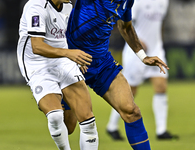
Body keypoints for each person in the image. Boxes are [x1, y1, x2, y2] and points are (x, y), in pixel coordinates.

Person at [65, 0, 169, 149]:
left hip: (101, 63)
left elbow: (125, 26)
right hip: (72, 60)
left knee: (132, 111)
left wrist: (142, 56)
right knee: (68, 126)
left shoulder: (128, 1)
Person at [17, 0, 99, 150]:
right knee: (55, 117)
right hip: (38, 65)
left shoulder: (67, 6)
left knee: (87, 120)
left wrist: (77, 57)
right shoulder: (36, 6)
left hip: (63, 62)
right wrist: (69, 54)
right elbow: (37, 46)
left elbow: (65, 37)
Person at [106, 0, 179, 140]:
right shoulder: (137, 2)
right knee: (130, 91)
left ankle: (161, 130)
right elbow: (125, 24)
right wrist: (139, 42)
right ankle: (112, 126)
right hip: (137, 51)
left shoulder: (164, 2)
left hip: (156, 49)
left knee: (161, 86)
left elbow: (159, 24)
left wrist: (158, 41)